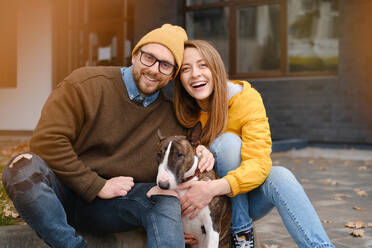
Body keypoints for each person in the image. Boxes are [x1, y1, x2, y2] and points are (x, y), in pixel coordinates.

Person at [2, 24, 214, 248]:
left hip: (117, 207)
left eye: (165, 65)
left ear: (172, 75)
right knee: (21, 166)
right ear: (134, 55)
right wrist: (97, 185)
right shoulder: (85, 84)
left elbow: (183, 161)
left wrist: (172, 226)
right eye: (148, 58)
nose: (153, 69)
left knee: (164, 200)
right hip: (59, 193)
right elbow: (46, 142)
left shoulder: (173, 117)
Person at [174, 40, 335, 248]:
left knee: (278, 174)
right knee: (227, 143)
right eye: (186, 69)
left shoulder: (245, 99)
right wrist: (176, 223)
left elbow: (259, 163)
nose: (195, 73)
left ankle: (243, 235)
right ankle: (241, 237)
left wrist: (213, 188)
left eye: (203, 65)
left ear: (216, 68)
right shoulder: (181, 112)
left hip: (237, 201)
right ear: (179, 79)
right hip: (203, 208)